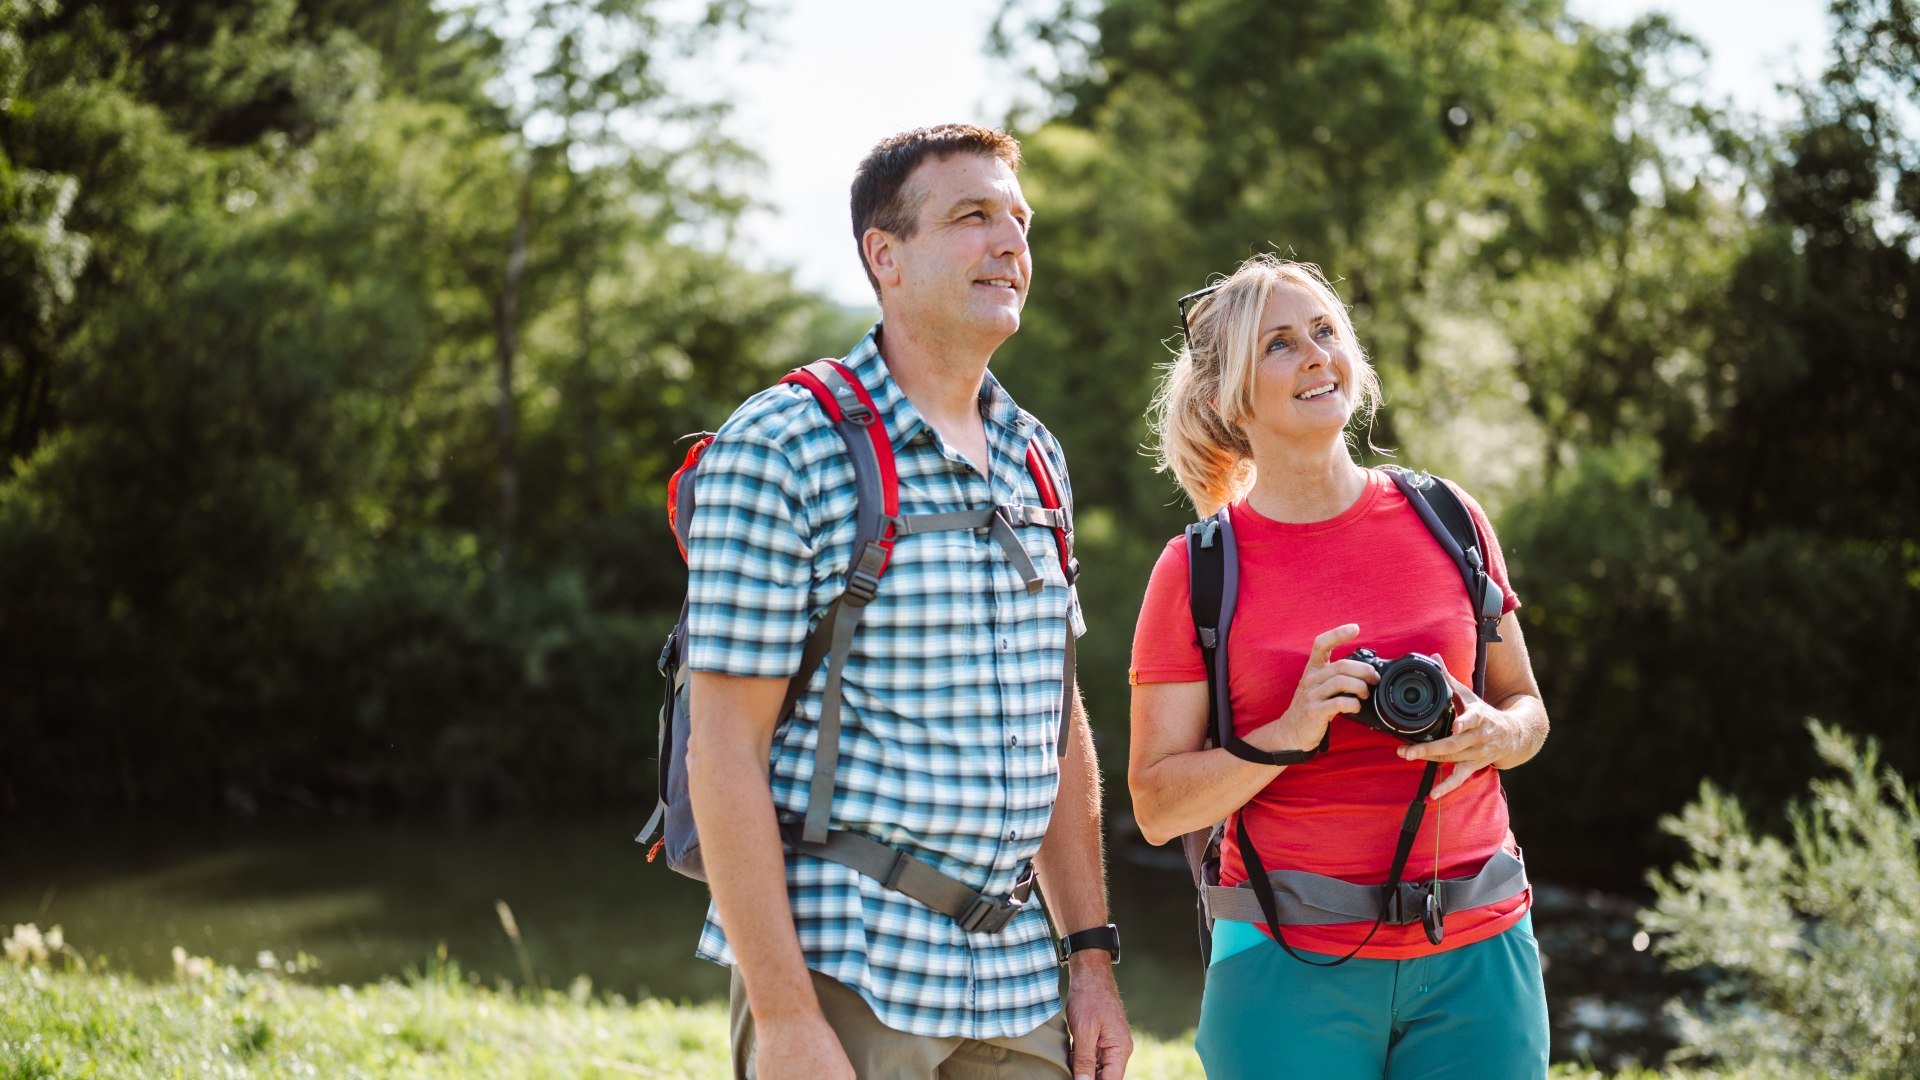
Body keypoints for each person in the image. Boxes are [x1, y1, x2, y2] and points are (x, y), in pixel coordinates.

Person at [684, 124, 1131, 1080]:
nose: (1011, 241)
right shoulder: (781, 445)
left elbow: (1057, 723)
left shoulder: (1037, 457)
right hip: (849, 966)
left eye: (1020, 219)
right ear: (884, 255)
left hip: (1019, 982)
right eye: (973, 216)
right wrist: (787, 1018)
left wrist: (1090, 960)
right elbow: (722, 748)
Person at [1127, 254, 1551, 1078]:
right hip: (1286, 961)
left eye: (1325, 330)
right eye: (1279, 344)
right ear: (1228, 401)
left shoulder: (1449, 516)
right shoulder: (1198, 569)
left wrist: (1498, 732)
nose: (1316, 354)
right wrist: (1285, 733)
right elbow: (1154, 806)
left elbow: (1528, 708)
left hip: (1479, 948)